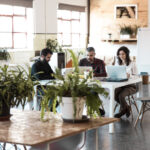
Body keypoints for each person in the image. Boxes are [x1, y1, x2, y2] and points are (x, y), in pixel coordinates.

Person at [79, 47, 106, 116]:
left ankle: (93, 109)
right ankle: (97, 109)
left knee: (91, 92)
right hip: (84, 84)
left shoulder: (100, 62)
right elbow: (78, 73)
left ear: (94, 54)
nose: (89, 57)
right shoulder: (82, 61)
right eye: (87, 55)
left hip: (96, 85)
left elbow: (104, 74)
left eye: (91, 55)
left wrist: (94, 74)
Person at [114, 46, 138, 118]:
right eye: (120, 54)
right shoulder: (117, 64)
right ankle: (126, 108)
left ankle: (122, 111)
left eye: (123, 54)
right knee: (114, 94)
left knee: (121, 95)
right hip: (120, 85)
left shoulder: (132, 63)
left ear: (127, 54)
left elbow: (137, 76)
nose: (121, 56)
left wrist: (129, 76)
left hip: (131, 86)